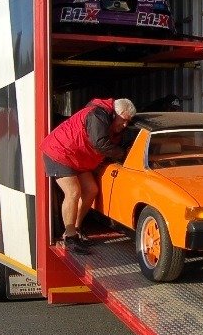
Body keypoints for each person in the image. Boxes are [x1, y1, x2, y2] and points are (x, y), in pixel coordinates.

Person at [40, 97, 136, 253]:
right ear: (114, 114)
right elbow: (100, 144)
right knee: (73, 192)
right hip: (60, 152)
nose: (125, 125)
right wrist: (124, 154)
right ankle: (69, 238)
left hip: (78, 157)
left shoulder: (111, 121)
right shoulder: (97, 115)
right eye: (123, 120)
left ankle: (76, 229)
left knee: (91, 190)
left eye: (128, 122)